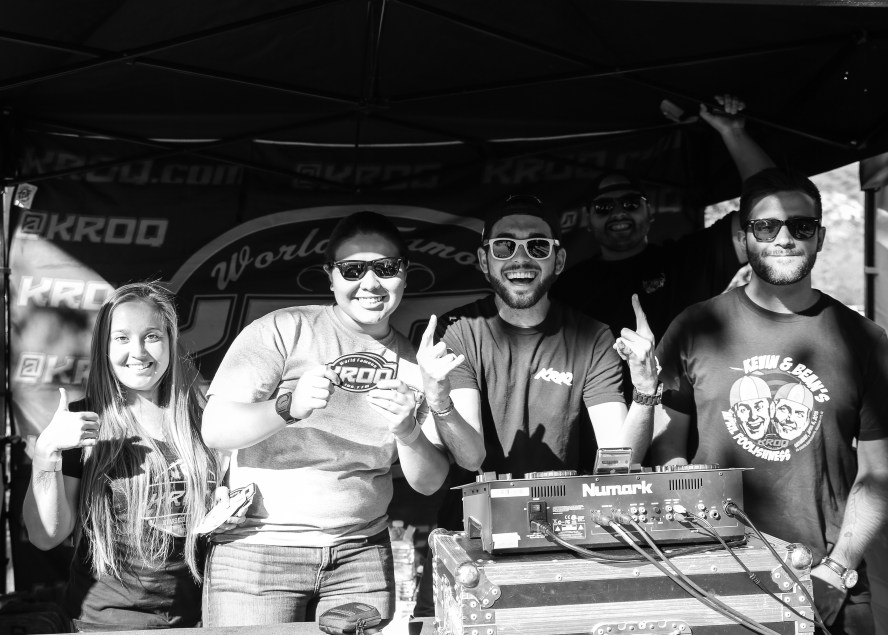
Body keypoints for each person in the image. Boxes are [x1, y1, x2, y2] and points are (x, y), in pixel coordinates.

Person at [652, 168, 888, 634]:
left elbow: (878, 473)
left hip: (828, 586)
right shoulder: (695, 326)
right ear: (744, 238)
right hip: (714, 577)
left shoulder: (865, 339)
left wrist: (837, 570)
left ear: (820, 237)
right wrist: (685, 495)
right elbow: (666, 443)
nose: (784, 238)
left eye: (801, 226)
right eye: (766, 227)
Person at [200, 211, 449, 627]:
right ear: (330, 277)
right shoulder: (284, 329)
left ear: (405, 274)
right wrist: (288, 407)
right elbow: (215, 429)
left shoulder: (414, 361)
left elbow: (429, 482)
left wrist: (408, 430)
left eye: (386, 268)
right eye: (353, 270)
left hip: (360, 555)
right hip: (258, 552)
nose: (370, 283)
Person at [412, 194, 658, 615]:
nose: (520, 258)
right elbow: (471, 457)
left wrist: (646, 390)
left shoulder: (592, 337)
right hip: (469, 541)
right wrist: (438, 401)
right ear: (484, 259)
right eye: (504, 246)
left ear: (558, 260)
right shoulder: (460, 331)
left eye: (537, 246)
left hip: (564, 541)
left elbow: (619, 462)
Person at [22, 282, 220, 631]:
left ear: (170, 341)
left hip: (192, 623)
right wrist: (47, 452)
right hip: (103, 625)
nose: (138, 351)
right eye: (122, 338)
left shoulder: (201, 420)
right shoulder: (82, 422)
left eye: (152, 336)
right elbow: (45, 535)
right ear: (105, 346)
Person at [551, 94, 775, 342]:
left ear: (650, 212)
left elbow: (772, 207)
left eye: (630, 203)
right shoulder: (567, 287)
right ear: (588, 220)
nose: (618, 212)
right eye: (604, 206)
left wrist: (733, 132)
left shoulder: (686, 261)